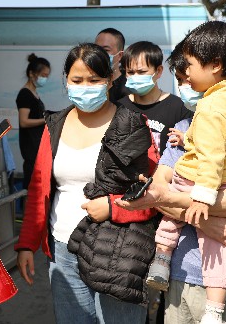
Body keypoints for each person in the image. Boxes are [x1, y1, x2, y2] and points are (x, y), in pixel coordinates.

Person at [115, 41, 226, 323]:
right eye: (181, 78)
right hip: (180, 280)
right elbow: (159, 190)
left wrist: (175, 201)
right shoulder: (184, 129)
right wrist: (206, 221)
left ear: (216, 66)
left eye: (189, 72)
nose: (187, 83)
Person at [15, 43, 159, 323]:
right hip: (61, 249)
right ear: (66, 80)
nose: (85, 86)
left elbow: (155, 192)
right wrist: (26, 244)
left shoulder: (132, 124)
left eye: (94, 80)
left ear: (110, 80)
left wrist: (114, 207)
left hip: (118, 252)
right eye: (77, 80)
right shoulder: (54, 124)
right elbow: (39, 187)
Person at [145, 21, 226, 324]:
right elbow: (222, 138)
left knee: (173, 214)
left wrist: (202, 198)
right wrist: (187, 139)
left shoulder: (210, 108)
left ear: (216, 65)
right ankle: (214, 310)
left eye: (191, 66)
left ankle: (162, 259)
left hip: (200, 181)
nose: (187, 75)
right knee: (218, 248)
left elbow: (211, 157)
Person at [119, 41, 193, 155]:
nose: (135, 77)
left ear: (158, 71)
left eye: (141, 72)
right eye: (130, 72)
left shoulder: (178, 107)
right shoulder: (119, 107)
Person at [16, 53, 51, 190]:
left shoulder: (35, 93)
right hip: (30, 147)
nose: (45, 79)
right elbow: (23, 121)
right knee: (31, 187)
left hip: (38, 145)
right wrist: (45, 120)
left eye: (47, 76)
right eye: (43, 75)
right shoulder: (25, 94)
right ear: (32, 74)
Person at [95, 27, 128, 102]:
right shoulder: (90, 84)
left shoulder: (127, 89)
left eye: (106, 50)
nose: (99, 53)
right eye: (96, 49)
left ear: (120, 55)